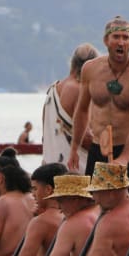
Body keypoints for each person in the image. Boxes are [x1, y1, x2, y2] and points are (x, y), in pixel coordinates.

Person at [68, 16, 129, 180]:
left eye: (125, 37)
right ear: (106, 40)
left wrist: (125, 157)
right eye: (116, 37)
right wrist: (74, 147)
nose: (121, 42)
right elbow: (82, 110)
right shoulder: (91, 69)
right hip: (98, 148)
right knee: (94, 196)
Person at [19, 174, 100, 256]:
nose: (59, 206)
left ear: (75, 199)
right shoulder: (101, 214)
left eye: (61, 200)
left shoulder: (72, 223)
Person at [42, 43, 98, 172]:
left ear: (72, 63)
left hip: (48, 168)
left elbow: (45, 134)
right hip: (73, 171)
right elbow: (85, 137)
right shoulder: (78, 90)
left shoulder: (53, 89)